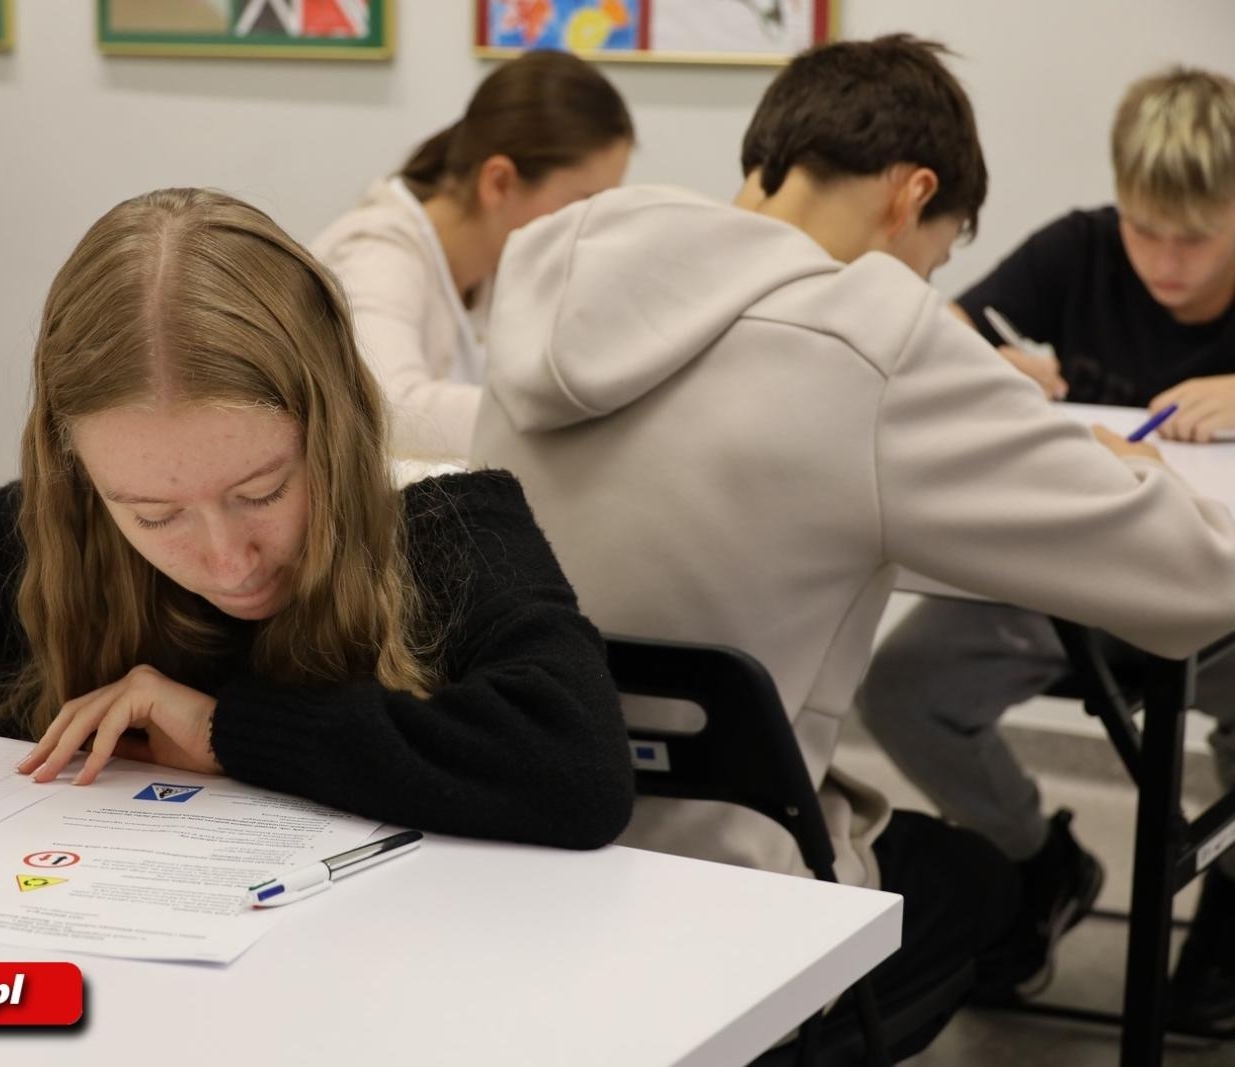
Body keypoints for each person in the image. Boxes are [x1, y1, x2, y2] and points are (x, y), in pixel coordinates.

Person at [469, 35, 1235, 1059]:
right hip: (737, 889)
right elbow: (1199, 581)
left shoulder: (554, 275)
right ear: (911, 196)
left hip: (512, 841)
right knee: (975, 881)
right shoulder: (872, 337)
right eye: (939, 254)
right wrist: (1117, 464)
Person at [0, 188, 635, 856]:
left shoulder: (448, 526)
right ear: (80, 473)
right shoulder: (45, 536)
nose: (225, 558)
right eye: (152, 512)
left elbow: (576, 764)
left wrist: (228, 731)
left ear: (331, 427)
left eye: (261, 491)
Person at [858, 66, 1235, 1030]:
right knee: (903, 687)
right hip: (1073, 587)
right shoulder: (1082, 247)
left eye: (1196, 236)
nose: (1165, 262)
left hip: (1219, 594)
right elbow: (935, 331)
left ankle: (1230, 894)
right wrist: (986, 365)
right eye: (1144, 228)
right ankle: (1038, 859)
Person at [312, 49, 633, 461]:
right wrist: (574, 418)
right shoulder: (376, 251)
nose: (592, 223)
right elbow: (391, 411)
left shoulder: (499, 265)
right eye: (584, 201)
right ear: (498, 182)